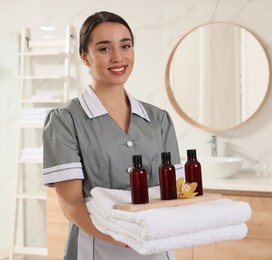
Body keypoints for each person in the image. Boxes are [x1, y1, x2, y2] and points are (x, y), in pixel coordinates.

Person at [42, 11, 182, 260]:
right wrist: (120, 237)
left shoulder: (158, 119)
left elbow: (173, 191)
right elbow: (71, 203)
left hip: (155, 246)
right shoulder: (65, 119)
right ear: (85, 57)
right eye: (104, 49)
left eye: (125, 46)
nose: (118, 57)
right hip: (98, 247)